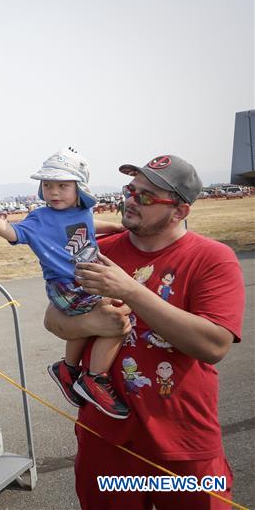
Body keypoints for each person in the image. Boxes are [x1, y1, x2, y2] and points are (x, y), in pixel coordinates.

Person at [45, 154, 244, 509]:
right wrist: (91, 323)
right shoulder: (97, 252)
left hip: (183, 445)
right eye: (130, 190)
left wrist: (131, 291)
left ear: (180, 211)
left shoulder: (213, 258)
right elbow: (54, 320)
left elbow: (214, 345)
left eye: (147, 196)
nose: (131, 200)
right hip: (105, 440)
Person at [0, 147, 128, 418]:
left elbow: (89, 224)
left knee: (89, 324)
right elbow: (13, 232)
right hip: (66, 285)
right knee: (117, 320)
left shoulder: (82, 211)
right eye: (48, 185)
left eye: (62, 186)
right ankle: (94, 378)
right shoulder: (41, 218)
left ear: (79, 188)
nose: (54, 192)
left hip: (85, 280)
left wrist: (116, 227)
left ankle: (68, 369)